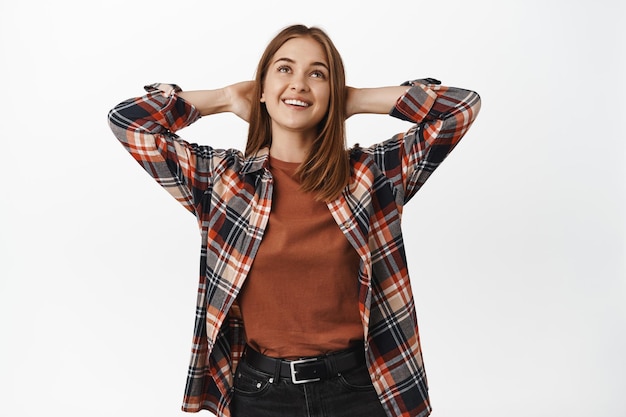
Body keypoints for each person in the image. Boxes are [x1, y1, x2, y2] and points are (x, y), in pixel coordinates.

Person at [108, 24, 481, 417]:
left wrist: (351, 100)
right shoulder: (221, 179)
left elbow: (460, 107)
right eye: (284, 70)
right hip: (259, 393)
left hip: (361, 389)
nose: (299, 84)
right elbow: (129, 122)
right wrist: (224, 98)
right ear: (262, 90)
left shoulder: (373, 175)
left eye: (317, 74)